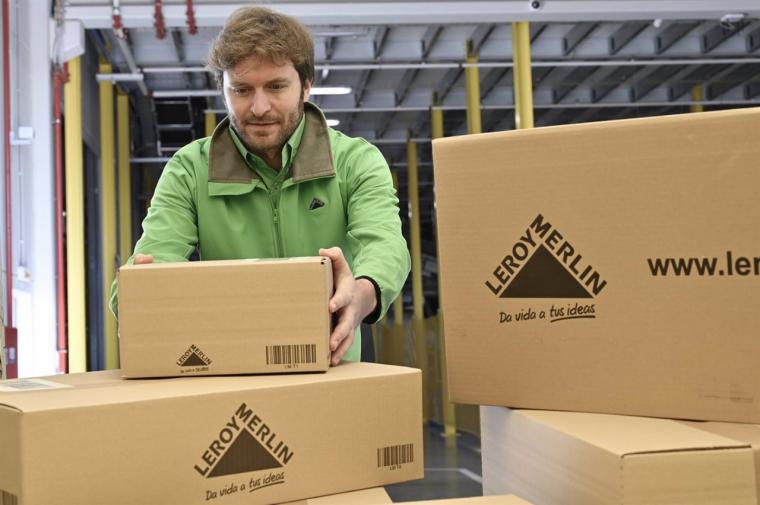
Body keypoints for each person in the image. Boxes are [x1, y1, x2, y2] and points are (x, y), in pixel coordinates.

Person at [109, 6, 410, 365]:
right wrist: (144, 292)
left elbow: (385, 246)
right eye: (241, 89)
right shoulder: (189, 171)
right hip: (229, 373)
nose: (259, 107)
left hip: (333, 370)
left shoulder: (354, 161)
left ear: (306, 86)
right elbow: (150, 262)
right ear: (223, 91)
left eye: (276, 86)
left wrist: (361, 294)